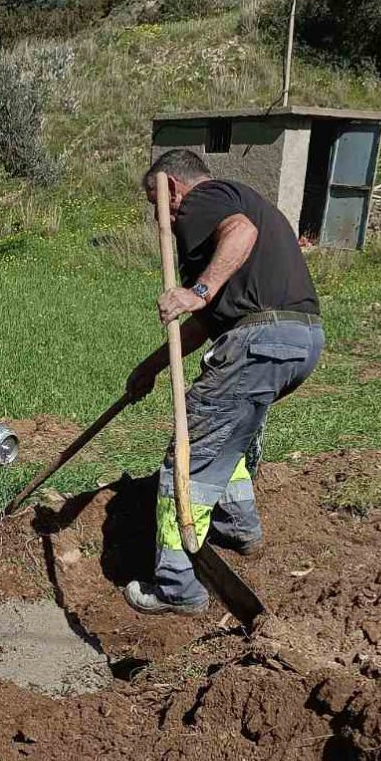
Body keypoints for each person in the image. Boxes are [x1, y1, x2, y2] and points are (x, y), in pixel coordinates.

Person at [123, 149, 324, 615]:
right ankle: (239, 528)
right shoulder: (241, 201)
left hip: (257, 342)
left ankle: (176, 587)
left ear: (171, 189)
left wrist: (197, 291)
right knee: (229, 434)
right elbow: (206, 322)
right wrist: (151, 367)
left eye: (156, 203)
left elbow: (240, 233)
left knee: (187, 459)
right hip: (300, 340)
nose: (158, 217)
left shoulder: (203, 200)